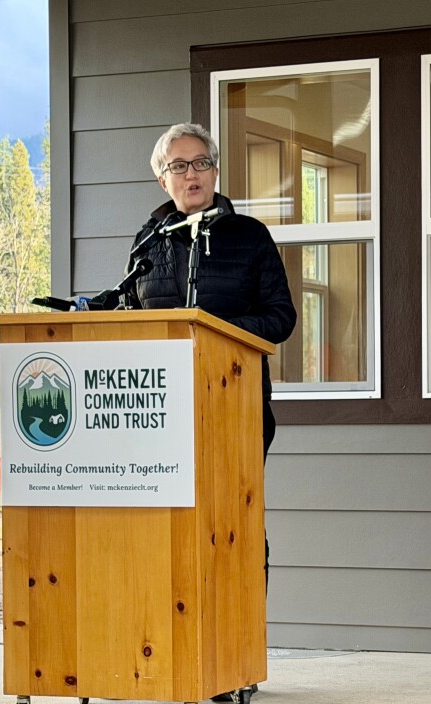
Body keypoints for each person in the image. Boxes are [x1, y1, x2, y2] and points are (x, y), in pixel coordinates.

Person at [123, 121, 296, 607]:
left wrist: (217, 332)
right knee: (164, 526)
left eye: (201, 163)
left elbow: (280, 317)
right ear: (163, 179)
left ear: (216, 172)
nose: (191, 174)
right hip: (160, 413)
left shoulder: (249, 236)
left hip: (234, 411)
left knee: (233, 524)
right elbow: (131, 317)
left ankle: (235, 657)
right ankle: (167, 642)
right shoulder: (148, 242)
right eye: (179, 166)